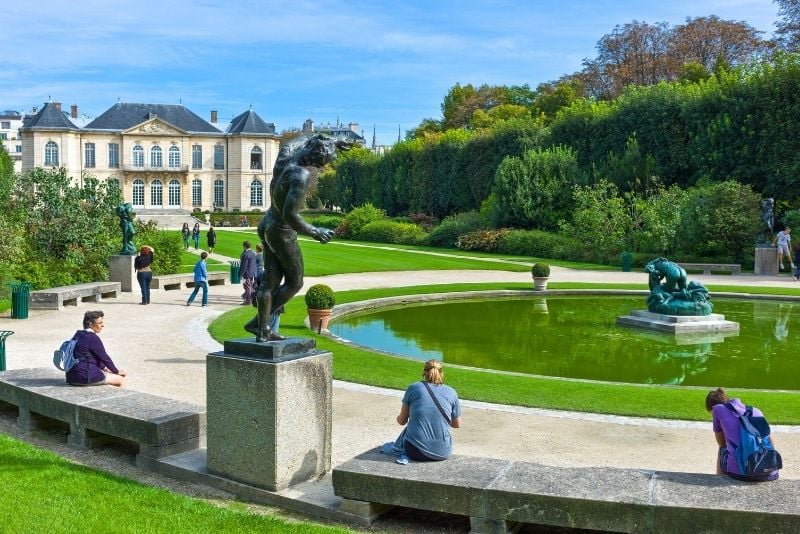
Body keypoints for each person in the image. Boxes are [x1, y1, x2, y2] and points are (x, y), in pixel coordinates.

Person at [246, 134, 349, 342]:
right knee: (295, 282)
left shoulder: (285, 157)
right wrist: (315, 231)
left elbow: (293, 142)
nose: (318, 169)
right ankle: (258, 323)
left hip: (266, 223)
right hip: (281, 231)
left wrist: (330, 139)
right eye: (321, 164)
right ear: (314, 160)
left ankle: (262, 328)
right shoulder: (300, 176)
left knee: (270, 283)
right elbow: (290, 215)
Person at [383, 360, 461, 464]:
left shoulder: (414, 388)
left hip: (416, 452)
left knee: (409, 429)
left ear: (424, 372)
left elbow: (402, 421)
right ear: (441, 373)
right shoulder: (452, 392)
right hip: (443, 452)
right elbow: (456, 424)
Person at [705, 387, 779, 481]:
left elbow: (722, 443)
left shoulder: (717, 409)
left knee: (722, 450)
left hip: (742, 473)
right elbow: (769, 440)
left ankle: (719, 481)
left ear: (711, 408)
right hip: (770, 471)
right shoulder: (756, 411)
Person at [66, 311, 127, 387]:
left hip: (71, 377)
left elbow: (88, 356)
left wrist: (105, 368)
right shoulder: (92, 337)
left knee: (107, 374)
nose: (103, 325)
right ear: (91, 325)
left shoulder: (78, 335)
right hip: (85, 376)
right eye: (100, 323)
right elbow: (104, 357)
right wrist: (116, 371)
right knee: (120, 379)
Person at [240, 240, 257, 305]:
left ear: (244, 246)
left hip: (246, 274)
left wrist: (241, 275)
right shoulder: (253, 253)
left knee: (247, 287)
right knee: (250, 287)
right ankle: (251, 299)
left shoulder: (245, 254)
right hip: (253, 273)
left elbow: (244, 266)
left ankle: (248, 300)